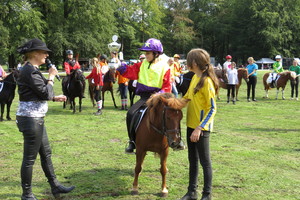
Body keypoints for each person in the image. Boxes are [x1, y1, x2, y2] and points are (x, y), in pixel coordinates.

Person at [16, 38, 75, 200]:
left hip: (36, 118)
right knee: (29, 159)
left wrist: (55, 98)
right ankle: (26, 194)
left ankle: (55, 186)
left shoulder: (31, 69)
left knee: (46, 153)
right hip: (31, 120)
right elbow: (45, 92)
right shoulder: (30, 71)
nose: (46, 55)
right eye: (44, 52)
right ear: (34, 54)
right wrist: (51, 77)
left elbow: (38, 93)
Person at [117, 38, 184, 154]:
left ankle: (178, 140)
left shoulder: (165, 67)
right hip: (144, 98)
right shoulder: (141, 64)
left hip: (160, 98)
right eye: (145, 53)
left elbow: (167, 86)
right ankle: (132, 141)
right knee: (131, 113)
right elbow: (130, 71)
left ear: (156, 54)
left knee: (173, 115)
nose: (145, 55)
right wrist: (120, 66)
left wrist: (159, 94)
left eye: (148, 53)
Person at [179, 48, 219, 200]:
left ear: (194, 63)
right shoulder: (195, 77)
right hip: (190, 126)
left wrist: (199, 128)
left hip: (201, 129)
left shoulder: (207, 81)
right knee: (192, 161)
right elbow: (187, 97)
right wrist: (171, 103)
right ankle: (191, 192)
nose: (187, 63)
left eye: (188, 60)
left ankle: (207, 195)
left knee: (205, 162)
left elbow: (212, 108)